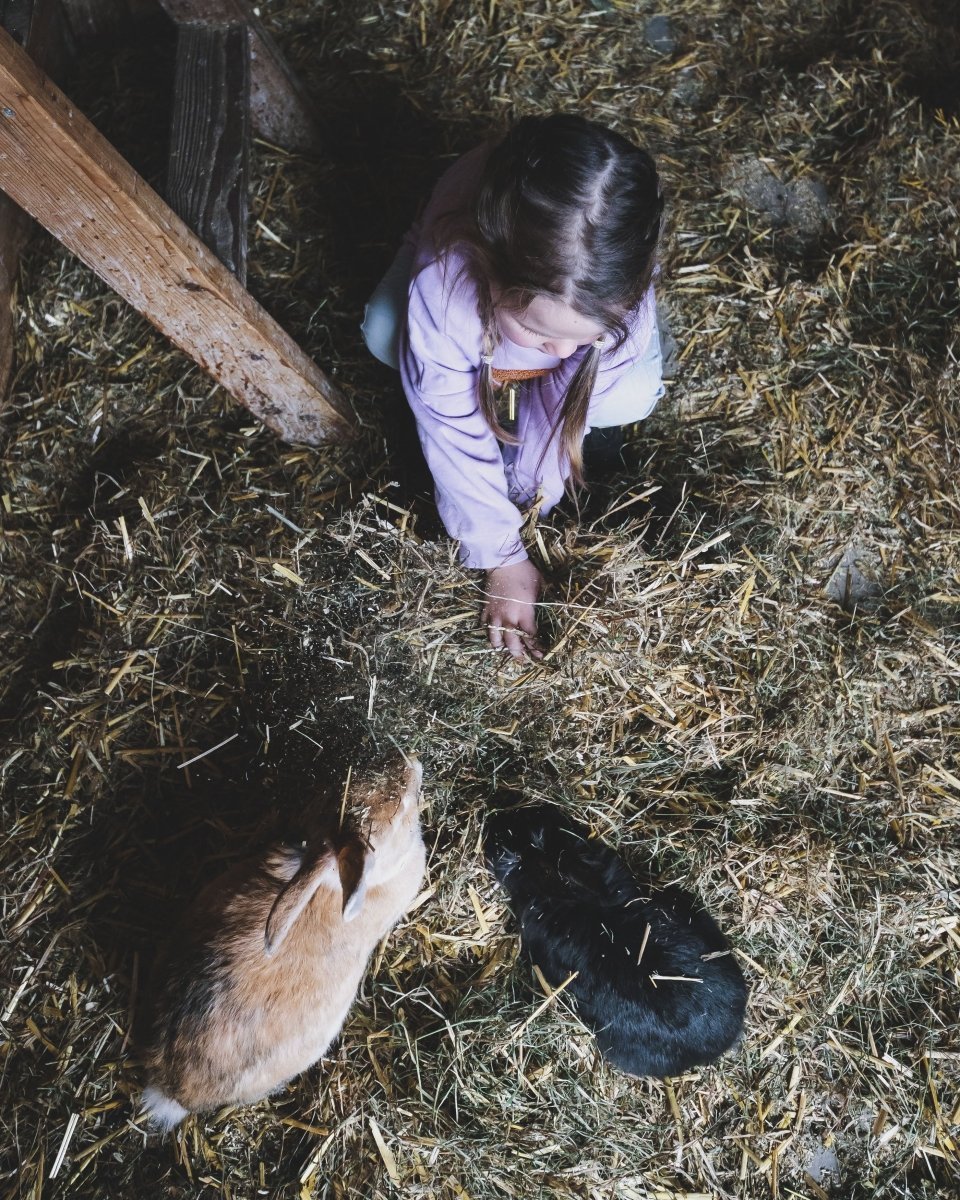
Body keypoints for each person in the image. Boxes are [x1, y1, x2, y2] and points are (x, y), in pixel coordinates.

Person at [362, 113, 665, 660]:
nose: (560, 353)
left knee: (632, 395)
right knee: (384, 333)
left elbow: (571, 370)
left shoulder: (616, 304)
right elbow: (448, 420)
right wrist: (502, 554)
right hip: (464, 290)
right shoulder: (451, 276)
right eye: (536, 331)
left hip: (536, 304)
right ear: (488, 265)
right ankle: (438, 270)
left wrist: (537, 496)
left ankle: (533, 344)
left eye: (581, 339)